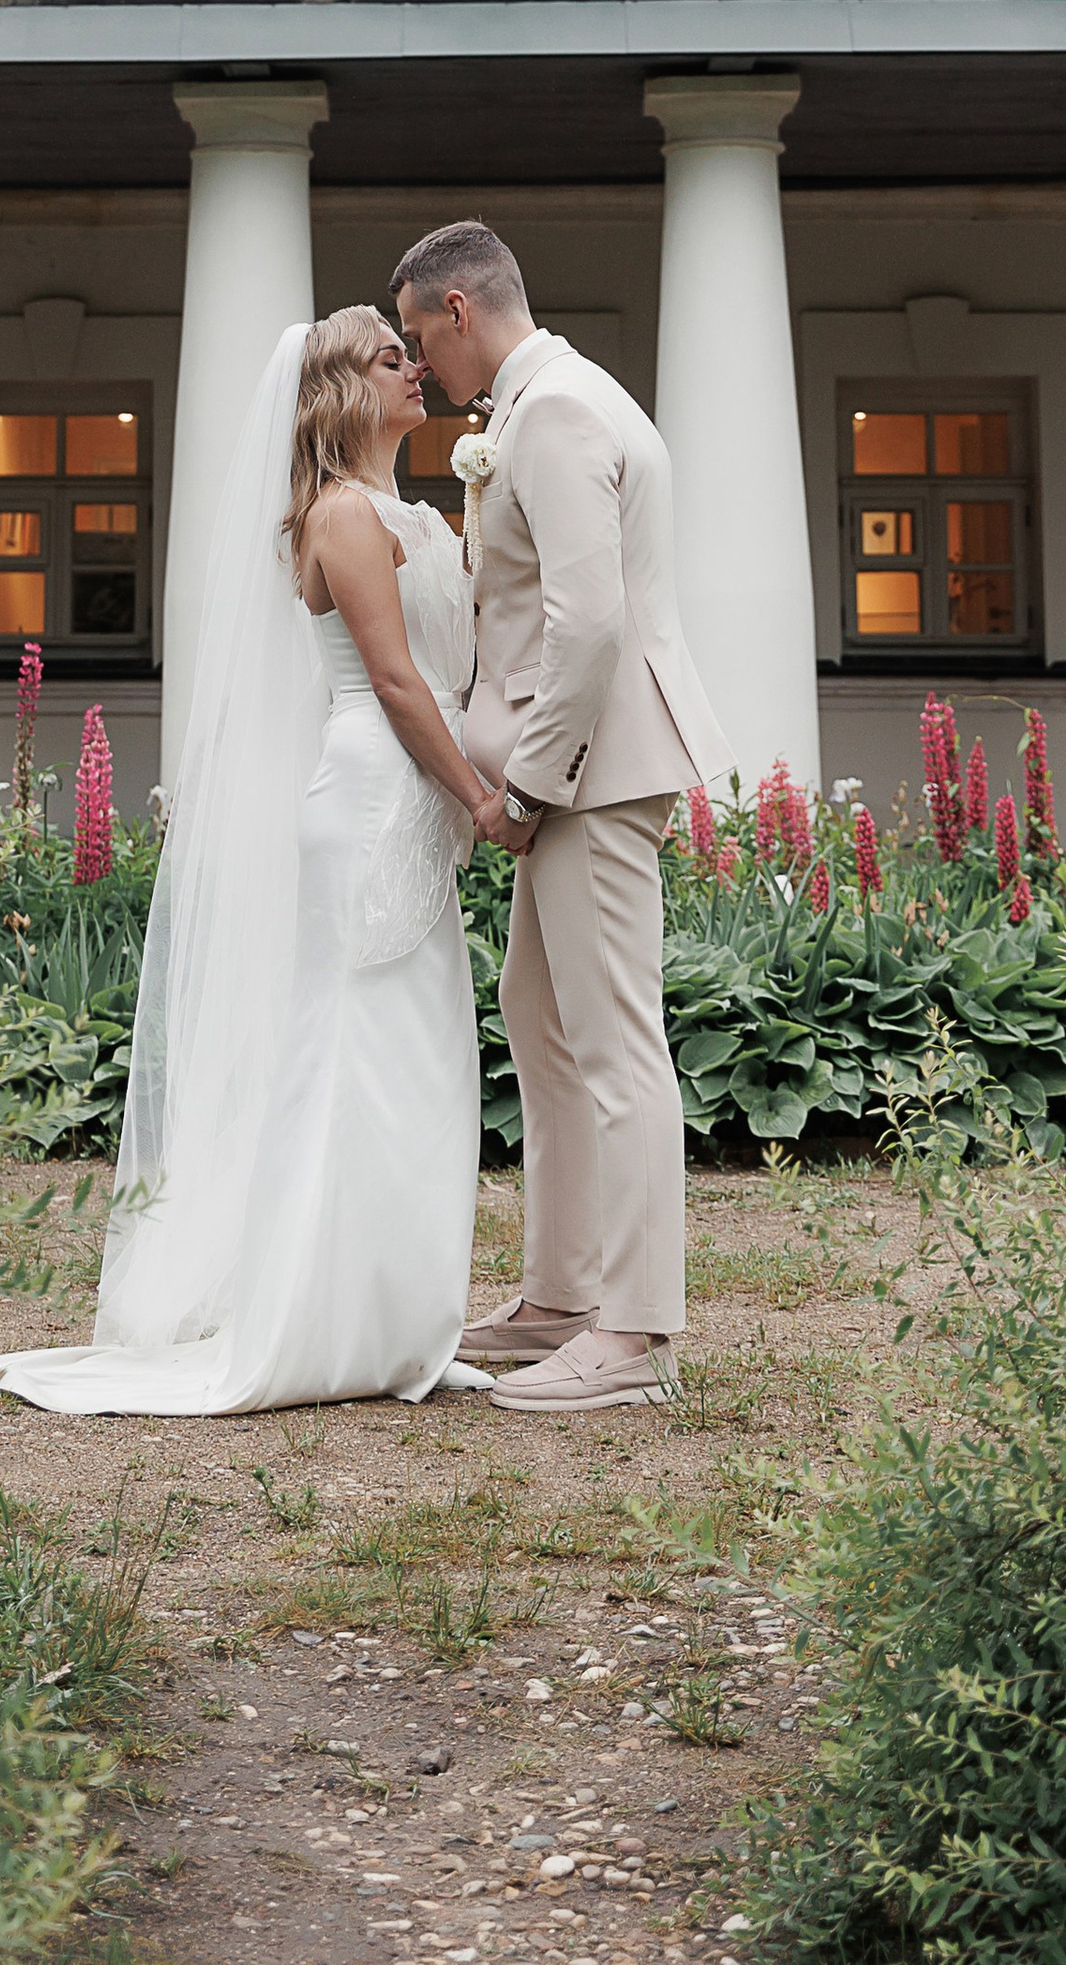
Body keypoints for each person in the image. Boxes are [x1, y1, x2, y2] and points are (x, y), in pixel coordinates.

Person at [0, 308, 504, 1414]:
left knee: (420, 1054)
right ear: (344, 389)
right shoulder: (342, 519)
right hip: (369, 789)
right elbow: (396, 684)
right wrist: (482, 800)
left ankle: (391, 1314)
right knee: (351, 1049)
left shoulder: (418, 509)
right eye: (392, 361)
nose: (415, 370)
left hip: (410, 788)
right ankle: (317, 1319)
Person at [392, 219, 730, 1415]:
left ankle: (633, 1337)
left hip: (590, 766)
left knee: (614, 1040)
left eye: (416, 337)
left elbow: (588, 623)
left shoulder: (558, 413)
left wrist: (529, 783)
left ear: (455, 309)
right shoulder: (549, 403)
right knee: (536, 1013)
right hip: (580, 760)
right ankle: (559, 1296)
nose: (419, 367)